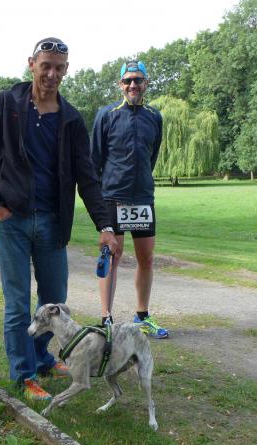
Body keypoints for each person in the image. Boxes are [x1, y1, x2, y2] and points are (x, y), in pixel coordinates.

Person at [0, 37, 118, 402]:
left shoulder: (70, 119)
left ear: (66, 70)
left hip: (53, 221)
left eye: (59, 68)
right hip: (12, 220)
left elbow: (87, 176)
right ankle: (23, 375)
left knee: (55, 299)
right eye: (46, 66)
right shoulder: (7, 104)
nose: (52, 74)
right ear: (31, 64)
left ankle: (42, 359)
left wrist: (105, 226)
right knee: (17, 303)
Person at [91, 60, 169, 339]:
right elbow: (94, 160)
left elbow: (151, 156)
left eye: (138, 80)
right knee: (111, 256)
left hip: (143, 198)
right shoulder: (106, 115)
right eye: (128, 81)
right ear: (120, 85)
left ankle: (142, 316)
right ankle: (106, 319)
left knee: (146, 259)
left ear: (146, 83)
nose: (133, 85)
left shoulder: (154, 116)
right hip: (112, 196)